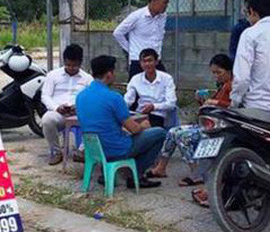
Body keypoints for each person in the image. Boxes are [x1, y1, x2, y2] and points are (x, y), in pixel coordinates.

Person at [76, 55, 166, 189]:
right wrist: (143, 125)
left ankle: (108, 173)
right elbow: (134, 129)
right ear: (109, 74)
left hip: (93, 148)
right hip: (116, 148)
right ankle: (136, 174)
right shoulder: (114, 97)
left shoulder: (81, 96)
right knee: (159, 133)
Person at [147, 54, 233, 187]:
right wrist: (204, 103)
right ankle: (161, 167)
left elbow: (233, 106)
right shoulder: (223, 86)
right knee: (173, 131)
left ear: (228, 70)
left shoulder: (232, 86)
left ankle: (196, 173)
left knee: (184, 137)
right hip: (210, 123)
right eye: (214, 72)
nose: (216, 75)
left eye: (219, 72)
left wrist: (215, 102)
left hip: (219, 128)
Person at [41, 44, 92, 166]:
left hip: (79, 112)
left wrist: (79, 107)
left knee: (95, 120)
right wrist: (56, 107)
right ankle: (57, 152)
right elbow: (45, 96)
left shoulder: (87, 79)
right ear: (64, 61)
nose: (71, 68)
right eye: (68, 64)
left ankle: (81, 151)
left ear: (80, 62)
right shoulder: (53, 75)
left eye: (74, 65)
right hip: (58, 112)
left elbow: (90, 99)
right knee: (47, 120)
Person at [113, 0, 171, 79]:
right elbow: (118, 33)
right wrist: (130, 50)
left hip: (156, 60)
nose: (166, 6)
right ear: (155, 0)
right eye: (164, 2)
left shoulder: (163, 16)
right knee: (135, 90)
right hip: (139, 61)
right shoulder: (137, 16)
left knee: (164, 85)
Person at [124, 48, 177, 128]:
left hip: (158, 116)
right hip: (140, 115)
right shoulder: (135, 79)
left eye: (150, 61)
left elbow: (171, 104)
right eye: (144, 61)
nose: (147, 64)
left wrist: (153, 106)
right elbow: (128, 100)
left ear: (156, 62)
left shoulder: (167, 78)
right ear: (140, 63)